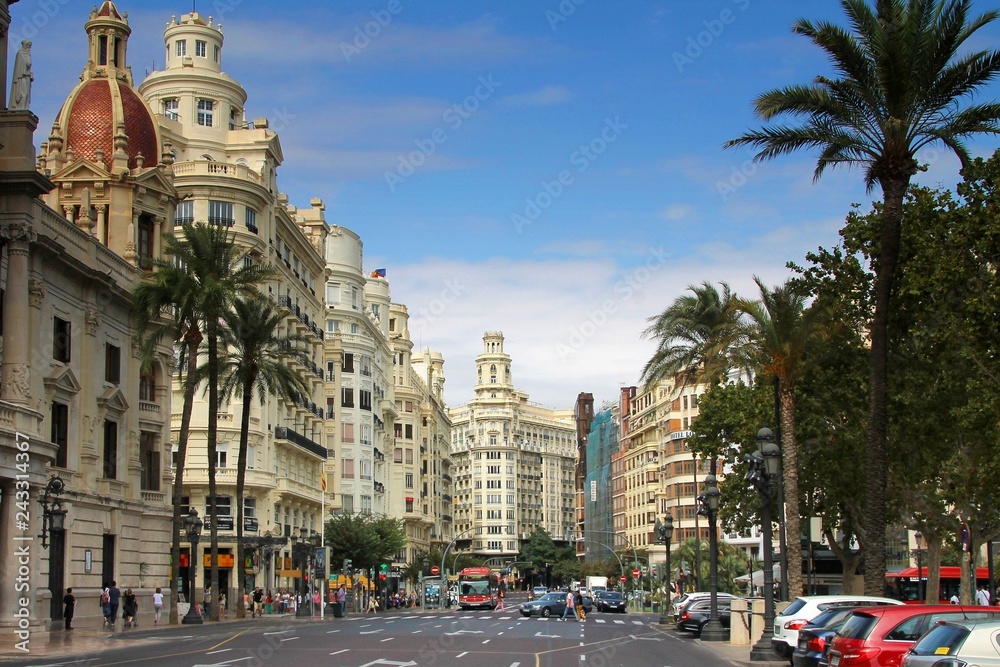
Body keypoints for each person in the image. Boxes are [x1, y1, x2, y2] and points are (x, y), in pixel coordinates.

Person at [8, 40, 32, 110]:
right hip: (21, 77)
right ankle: (20, 108)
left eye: (30, 46)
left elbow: (28, 65)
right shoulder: (20, 54)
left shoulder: (27, 54)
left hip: (27, 77)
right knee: (23, 94)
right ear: (25, 45)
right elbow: (26, 64)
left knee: (26, 94)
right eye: (28, 45)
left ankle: (24, 107)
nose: (29, 47)